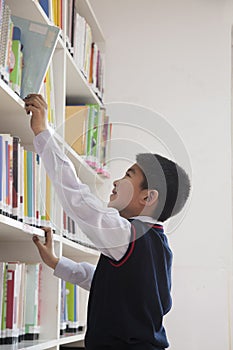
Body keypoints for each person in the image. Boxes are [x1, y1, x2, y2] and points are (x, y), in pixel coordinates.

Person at [24, 94, 191, 350]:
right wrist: (57, 263)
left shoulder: (128, 235)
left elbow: (77, 198)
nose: (116, 181)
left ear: (148, 197)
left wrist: (42, 133)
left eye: (128, 175)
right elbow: (110, 284)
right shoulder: (159, 246)